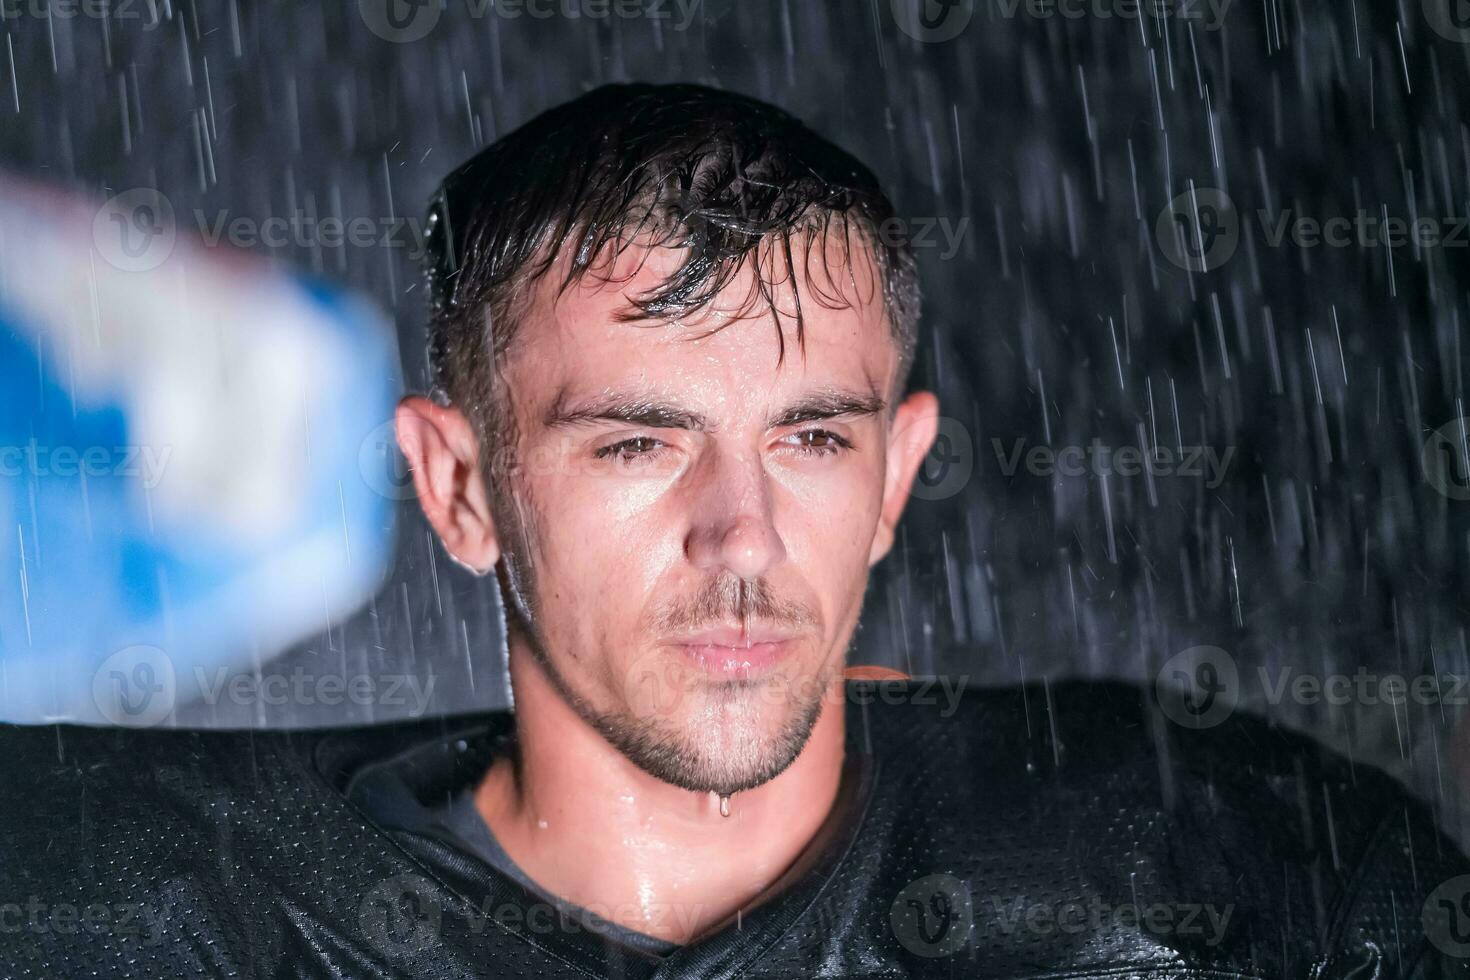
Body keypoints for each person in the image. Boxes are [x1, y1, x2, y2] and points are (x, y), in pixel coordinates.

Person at [2, 82, 1468, 978]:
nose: (741, 536)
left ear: (895, 479)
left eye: (811, 439)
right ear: (458, 490)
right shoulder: (127, 903)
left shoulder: (1219, 866)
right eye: (638, 441)